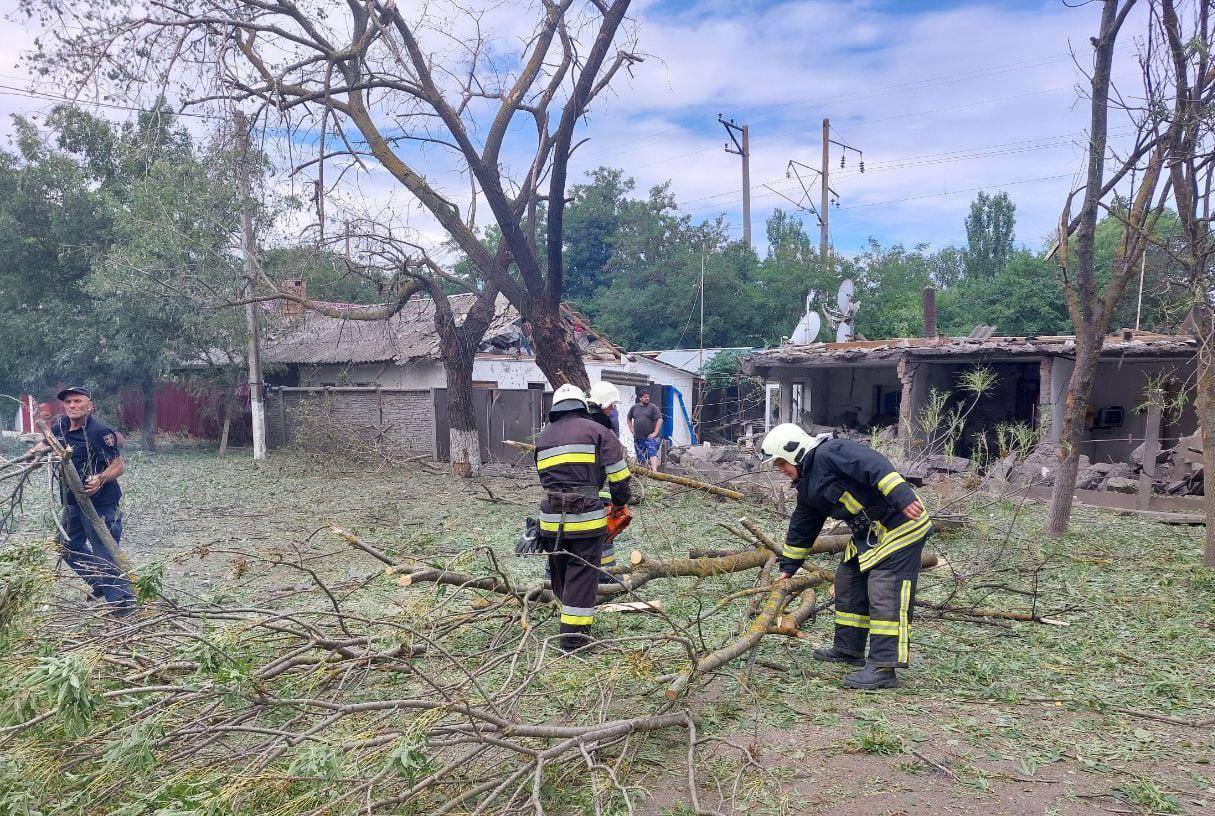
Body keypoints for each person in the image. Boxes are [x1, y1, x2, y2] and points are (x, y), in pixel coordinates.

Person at [761, 423, 930, 690]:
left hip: (900, 523)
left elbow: (874, 464)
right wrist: (789, 565)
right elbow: (804, 523)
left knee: (885, 589)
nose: (780, 469)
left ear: (794, 450)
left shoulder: (831, 452)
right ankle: (848, 648)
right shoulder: (807, 484)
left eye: (781, 462)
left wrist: (902, 495)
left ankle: (884, 667)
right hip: (869, 533)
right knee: (848, 580)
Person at [534, 383, 632, 652]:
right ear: (581, 404)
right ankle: (573, 640)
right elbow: (620, 478)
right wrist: (619, 504)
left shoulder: (543, 438)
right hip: (586, 519)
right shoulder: (598, 431)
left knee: (562, 572)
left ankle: (570, 619)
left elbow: (546, 479)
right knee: (582, 576)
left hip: (551, 521)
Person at [34, 387, 136, 616]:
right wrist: (34, 453)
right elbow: (48, 443)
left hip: (101, 506)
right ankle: (98, 582)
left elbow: (118, 465)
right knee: (65, 545)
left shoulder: (100, 432)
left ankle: (123, 609)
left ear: (89, 405)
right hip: (72, 503)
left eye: (77, 401)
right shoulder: (59, 426)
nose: (71, 405)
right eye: (68, 402)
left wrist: (100, 478)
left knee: (105, 555)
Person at [626, 390, 662, 470]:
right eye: (645, 397)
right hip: (638, 437)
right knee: (641, 456)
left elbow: (659, 420)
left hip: (650, 437)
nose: (647, 398)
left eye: (648, 397)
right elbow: (628, 419)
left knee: (652, 453)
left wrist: (655, 432)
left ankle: (655, 472)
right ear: (640, 398)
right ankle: (645, 473)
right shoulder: (634, 408)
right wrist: (631, 429)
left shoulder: (653, 407)